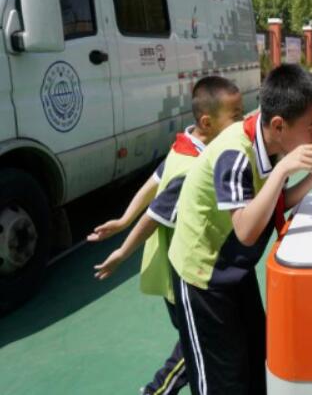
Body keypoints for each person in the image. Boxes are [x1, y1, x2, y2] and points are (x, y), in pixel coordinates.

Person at [168, 63, 312, 394]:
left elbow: (272, 204)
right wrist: (283, 170)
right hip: (203, 277)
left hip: (234, 271)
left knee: (255, 358)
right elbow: (246, 229)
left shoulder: (272, 143)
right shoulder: (235, 154)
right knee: (222, 379)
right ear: (279, 124)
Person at [91, 76, 243, 395]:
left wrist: (123, 219)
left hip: (184, 268)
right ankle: (156, 391)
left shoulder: (185, 144)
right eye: (236, 115)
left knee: (202, 340)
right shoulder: (193, 166)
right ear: (207, 122)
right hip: (185, 273)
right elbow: (155, 214)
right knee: (194, 345)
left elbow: (154, 180)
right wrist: (123, 251)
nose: (242, 122)